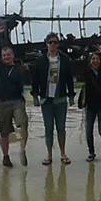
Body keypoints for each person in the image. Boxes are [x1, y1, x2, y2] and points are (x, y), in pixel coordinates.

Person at [31, 32, 75, 166]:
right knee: (48, 128)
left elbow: (69, 78)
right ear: (46, 44)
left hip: (61, 98)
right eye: (50, 42)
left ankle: (63, 153)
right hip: (46, 100)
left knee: (61, 128)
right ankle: (49, 155)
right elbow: (35, 80)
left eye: (55, 42)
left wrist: (71, 95)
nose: (53, 45)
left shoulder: (65, 59)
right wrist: (35, 96)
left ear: (58, 44)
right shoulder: (40, 61)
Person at [0, 17, 29, 167]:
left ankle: (22, 149)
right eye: (4, 55)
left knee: (23, 124)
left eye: (9, 54)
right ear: (2, 57)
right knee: (4, 132)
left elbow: (28, 81)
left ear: (13, 55)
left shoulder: (19, 68)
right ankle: (5, 157)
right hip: (1, 103)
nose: (6, 57)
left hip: (17, 101)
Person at [80, 44, 101, 164]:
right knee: (88, 131)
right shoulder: (87, 73)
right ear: (90, 62)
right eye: (93, 59)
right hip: (90, 107)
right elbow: (83, 61)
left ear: (100, 61)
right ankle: (91, 153)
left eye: (97, 59)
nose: (95, 61)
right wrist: (86, 51)